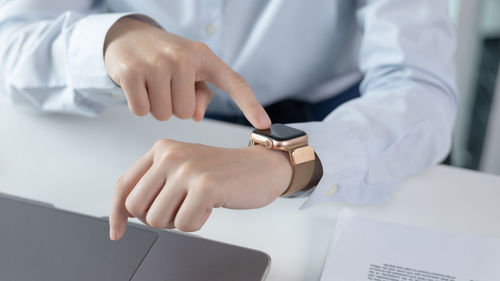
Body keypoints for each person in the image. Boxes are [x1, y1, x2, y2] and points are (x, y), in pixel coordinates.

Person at [0, 1, 457, 241]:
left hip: (324, 123)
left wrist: (287, 161)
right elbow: (11, 39)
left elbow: (422, 90)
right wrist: (112, 38)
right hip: (128, 108)